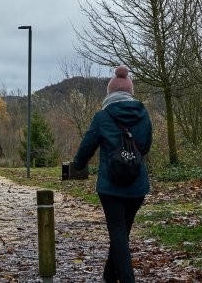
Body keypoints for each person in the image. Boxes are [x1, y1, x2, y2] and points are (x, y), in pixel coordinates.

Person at [72, 65, 152, 283]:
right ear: (130, 93)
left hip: (111, 187)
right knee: (122, 234)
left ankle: (127, 279)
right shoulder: (144, 115)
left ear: (109, 94)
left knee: (118, 232)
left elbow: (87, 146)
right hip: (137, 185)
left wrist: (77, 164)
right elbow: (145, 147)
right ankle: (109, 276)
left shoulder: (102, 117)